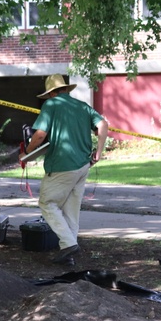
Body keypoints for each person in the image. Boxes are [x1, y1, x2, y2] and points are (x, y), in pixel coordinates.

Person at [22, 74, 109, 264]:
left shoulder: (51, 105)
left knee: (47, 203)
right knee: (71, 209)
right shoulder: (82, 106)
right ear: (65, 89)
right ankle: (68, 252)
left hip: (62, 165)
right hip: (83, 165)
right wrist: (99, 151)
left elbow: (39, 135)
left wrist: (26, 153)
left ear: (51, 93)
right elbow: (103, 124)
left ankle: (69, 244)